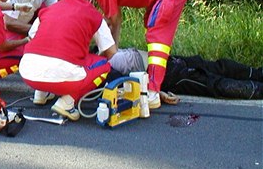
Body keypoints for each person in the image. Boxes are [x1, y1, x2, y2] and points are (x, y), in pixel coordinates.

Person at [66, 0, 194, 109]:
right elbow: (112, 20)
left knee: (158, 34)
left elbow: (115, 21)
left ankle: (153, 91)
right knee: (151, 23)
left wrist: (111, 55)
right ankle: (154, 80)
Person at [19, 0, 117, 121]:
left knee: (46, 53)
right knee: (104, 65)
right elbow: (111, 52)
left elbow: (32, 36)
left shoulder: (49, 9)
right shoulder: (94, 15)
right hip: (62, 75)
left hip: (27, 72)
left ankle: (41, 94)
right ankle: (67, 102)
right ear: (90, 0)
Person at [0, 0, 58, 105]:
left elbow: (55, 17)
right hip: (7, 28)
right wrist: (37, 32)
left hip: (27, 25)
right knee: (17, 58)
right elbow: (7, 23)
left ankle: (44, 87)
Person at [110, 48, 263, 100]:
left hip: (163, 65)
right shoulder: (98, 62)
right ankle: (257, 85)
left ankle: (257, 78)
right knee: (214, 77)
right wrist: (158, 92)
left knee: (214, 75)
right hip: (164, 69)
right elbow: (122, 85)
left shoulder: (97, 54)